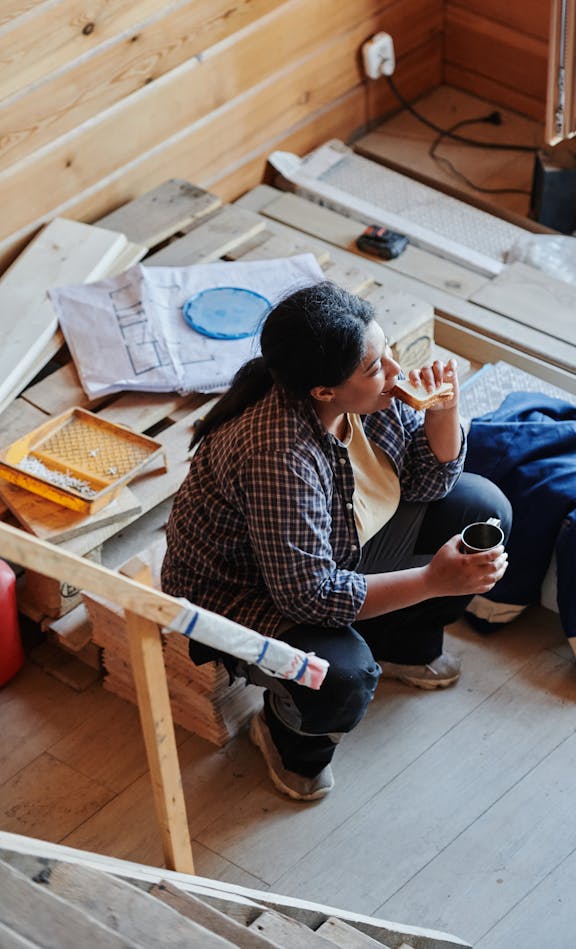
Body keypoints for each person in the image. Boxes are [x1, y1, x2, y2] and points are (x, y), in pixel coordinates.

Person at [161, 280, 511, 801]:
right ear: (324, 391)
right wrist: (434, 579)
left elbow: (426, 480)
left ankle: (400, 645)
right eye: (375, 367)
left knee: (482, 510)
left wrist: (443, 411)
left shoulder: (371, 396)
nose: (394, 371)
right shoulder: (279, 454)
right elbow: (309, 595)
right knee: (342, 676)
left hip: (340, 546)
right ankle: (287, 735)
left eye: (387, 350)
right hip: (248, 593)